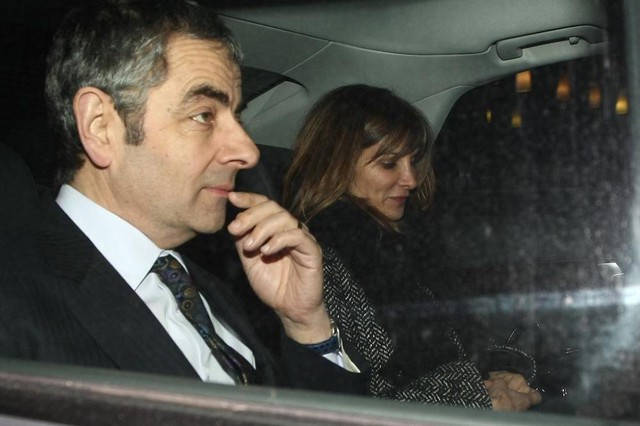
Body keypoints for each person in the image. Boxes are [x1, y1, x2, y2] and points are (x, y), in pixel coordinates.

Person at [0, 0, 366, 394]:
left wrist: (305, 324)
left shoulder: (208, 287)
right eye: (204, 115)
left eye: (237, 116)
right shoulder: (14, 300)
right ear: (100, 126)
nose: (248, 150)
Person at [283, 84, 542, 410]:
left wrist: (501, 371)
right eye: (389, 163)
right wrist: (479, 401)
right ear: (337, 163)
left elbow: (459, 341)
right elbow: (353, 403)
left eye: (413, 161)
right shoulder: (318, 263)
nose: (411, 179)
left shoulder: (408, 245)